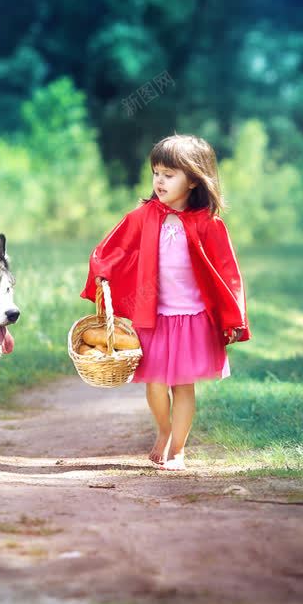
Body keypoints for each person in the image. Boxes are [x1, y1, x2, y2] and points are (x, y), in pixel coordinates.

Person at [80, 133, 251, 471]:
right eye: (156, 172)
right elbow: (113, 248)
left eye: (169, 174)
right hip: (153, 316)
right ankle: (163, 430)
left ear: (193, 180)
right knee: (156, 385)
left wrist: (235, 318)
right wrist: (102, 272)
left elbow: (228, 272)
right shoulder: (143, 216)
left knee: (182, 385)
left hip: (193, 317)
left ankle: (178, 449)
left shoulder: (208, 224)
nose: (159, 180)